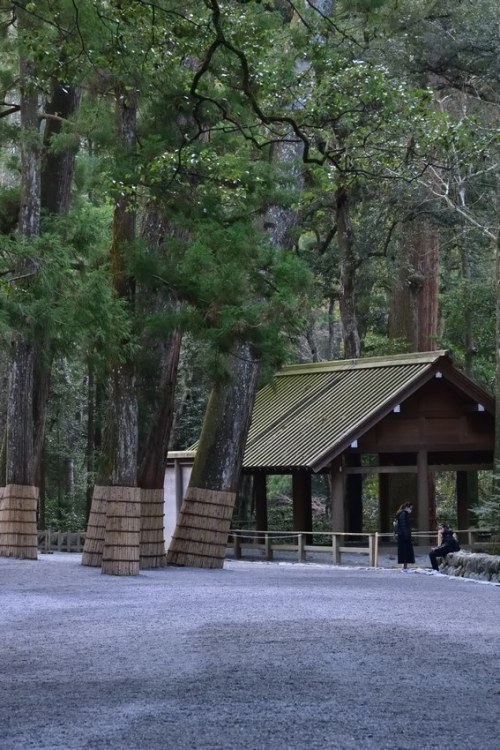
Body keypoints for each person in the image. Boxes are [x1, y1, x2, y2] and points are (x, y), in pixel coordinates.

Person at [395, 502, 415, 571]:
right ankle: (404, 566)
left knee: (404, 551)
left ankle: (405, 565)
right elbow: (404, 526)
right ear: (407, 507)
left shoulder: (402, 514)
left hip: (402, 535)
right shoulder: (403, 514)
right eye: (410, 508)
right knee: (405, 551)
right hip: (404, 536)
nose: (411, 510)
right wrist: (406, 535)